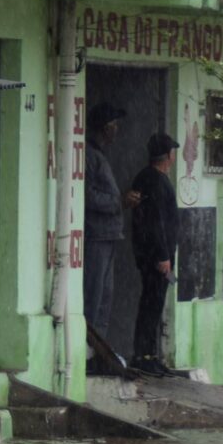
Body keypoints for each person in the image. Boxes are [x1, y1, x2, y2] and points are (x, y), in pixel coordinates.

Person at [125, 131, 181, 378]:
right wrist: (162, 256)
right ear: (168, 155)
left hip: (152, 253)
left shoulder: (150, 178)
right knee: (151, 303)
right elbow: (155, 222)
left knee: (153, 304)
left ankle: (149, 354)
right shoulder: (155, 181)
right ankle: (143, 356)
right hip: (155, 256)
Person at [83, 105, 129, 369]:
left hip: (108, 236)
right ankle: (87, 355)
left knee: (104, 300)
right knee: (93, 298)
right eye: (113, 125)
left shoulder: (100, 156)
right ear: (104, 128)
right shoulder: (90, 156)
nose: (117, 131)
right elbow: (87, 195)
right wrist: (117, 202)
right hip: (96, 236)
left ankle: (99, 355)